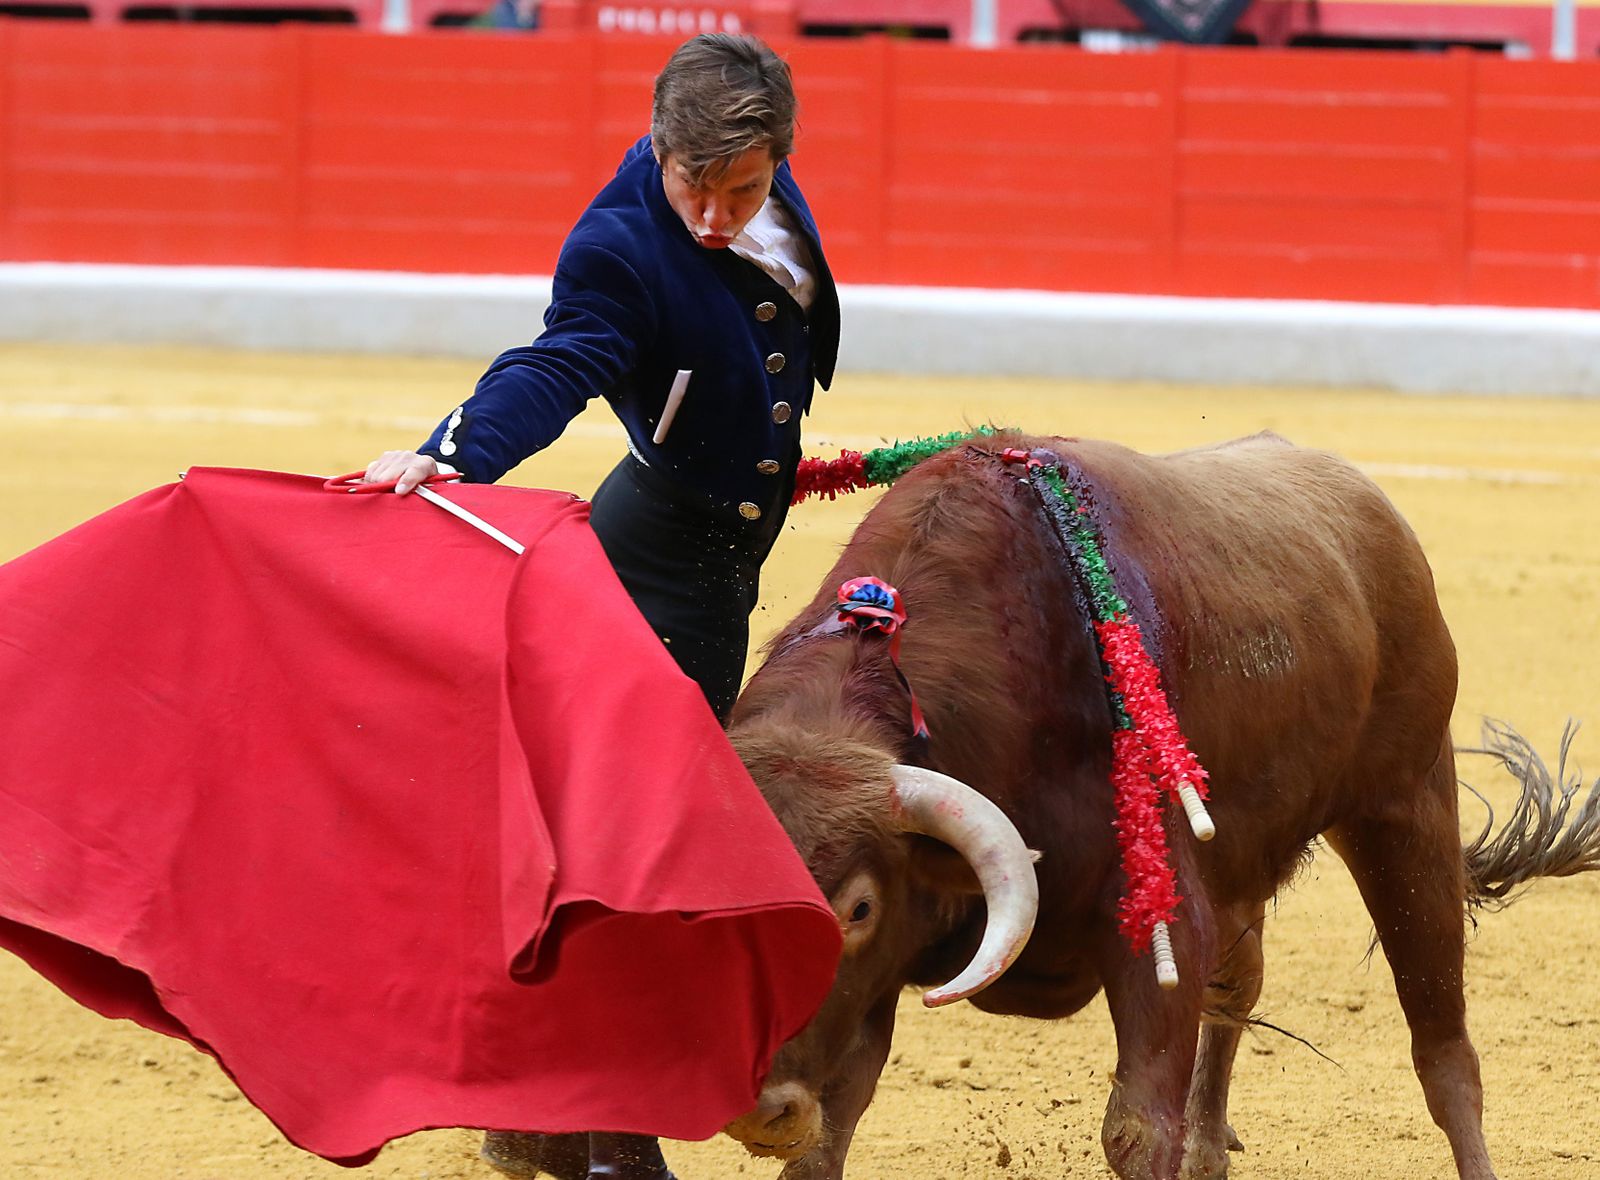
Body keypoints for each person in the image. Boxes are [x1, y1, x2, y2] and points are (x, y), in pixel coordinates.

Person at [360, 31, 839, 1180]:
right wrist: (453, 453)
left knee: (631, 841)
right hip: (663, 565)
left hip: (719, 555)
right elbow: (562, 360)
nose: (717, 215)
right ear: (657, 149)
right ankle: (615, 1143)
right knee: (633, 856)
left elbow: (760, 320)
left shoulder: (752, 175)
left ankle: (536, 1115)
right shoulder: (619, 243)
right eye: (695, 188)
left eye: (744, 189)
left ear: (776, 153)